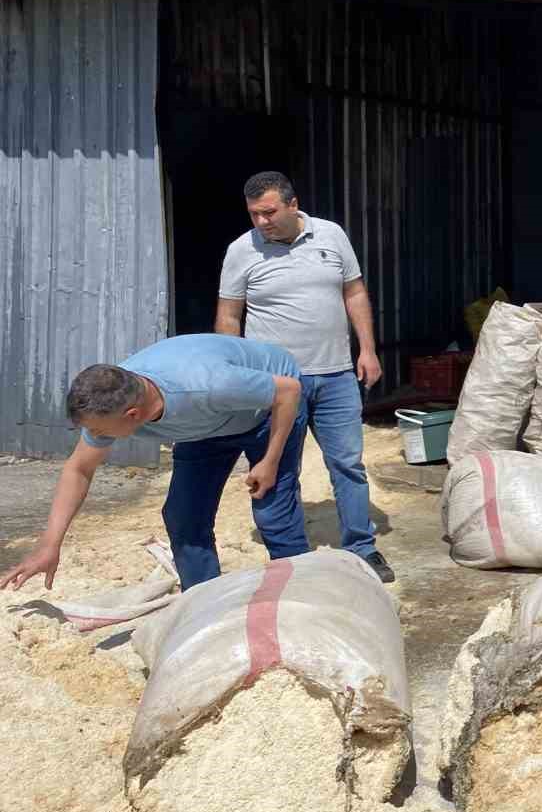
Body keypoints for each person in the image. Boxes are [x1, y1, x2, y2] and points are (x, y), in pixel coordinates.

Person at [1, 335, 309, 593]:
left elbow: (288, 391)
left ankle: (302, 598)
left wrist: (270, 460)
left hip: (266, 410)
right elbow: (79, 468)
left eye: (98, 430)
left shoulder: (209, 384)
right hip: (206, 424)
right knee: (183, 515)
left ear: (133, 415)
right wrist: (49, 544)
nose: (93, 436)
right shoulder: (113, 398)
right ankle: (203, 601)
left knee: (272, 511)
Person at [215, 171, 393, 582]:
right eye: (254, 215)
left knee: (347, 464)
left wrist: (367, 349)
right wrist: (238, 373)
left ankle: (362, 549)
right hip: (277, 386)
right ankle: (290, 559)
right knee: (278, 468)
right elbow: (228, 315)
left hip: (335, 375)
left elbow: (355, 293)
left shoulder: (331, 236)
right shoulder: (241, 251)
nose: (261, 222)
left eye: (269, 212)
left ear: (293, 205)